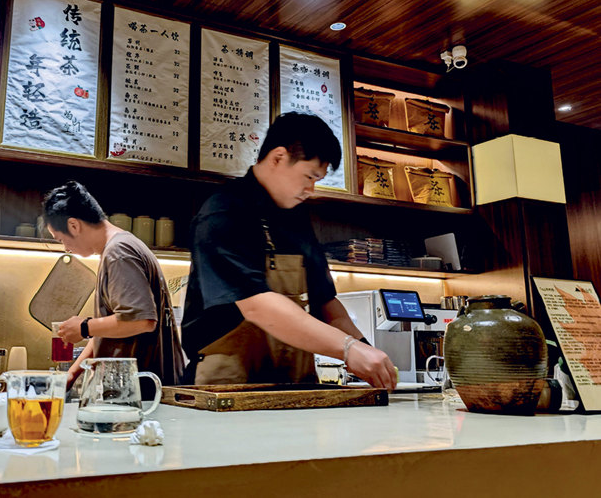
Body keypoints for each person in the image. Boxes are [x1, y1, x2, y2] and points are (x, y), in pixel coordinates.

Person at [181, 112, 397, 390]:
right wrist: (348, 349)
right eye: (309, 176)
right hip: (228, 386)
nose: (311, 190)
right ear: (278, 157)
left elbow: (326, 303)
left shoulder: (297, 219)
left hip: (294, 383)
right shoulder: (223, 213)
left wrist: (365, 350)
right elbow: (257, 305)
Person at [42, 182, 184, 389]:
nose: (66, 248)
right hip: (140, 389)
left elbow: (141, 321)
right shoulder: (120, 248)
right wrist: (71, 375)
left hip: (141, 393)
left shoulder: (119, 253)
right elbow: (113, 327)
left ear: (74, 225)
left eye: (60, 239)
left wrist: (84, 327)